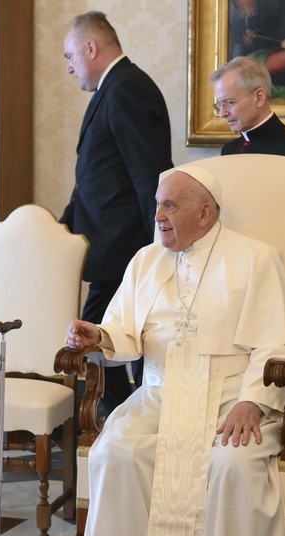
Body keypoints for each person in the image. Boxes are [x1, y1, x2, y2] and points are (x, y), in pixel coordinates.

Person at [64, 165, 285, 536]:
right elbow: (125, 333)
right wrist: (97, 334)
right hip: (162, 395)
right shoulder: (145, 261)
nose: (157, 214)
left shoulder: (257, 260)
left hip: (234, 396)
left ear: (205, 213)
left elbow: (278, 345)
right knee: (116, 453)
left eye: (170, 205)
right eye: (158, 204)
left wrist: (250, 401)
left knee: (232, 464)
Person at [60, 11, 173, 413]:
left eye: (71, 56)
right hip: (110, 252)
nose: (70, 68)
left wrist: (160, 250)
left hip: (126, 254)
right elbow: (96, 180)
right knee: (96, 351)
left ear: (92, 47)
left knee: (91, 349)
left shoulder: (127, 89)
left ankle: (134, 422)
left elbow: (149, 180)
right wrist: (60, 231)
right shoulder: (114, 89)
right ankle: (133, 423)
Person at [211, 57, 285, 162]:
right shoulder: (230, 150)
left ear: (259, 97)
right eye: (220, 104)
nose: (222, 114)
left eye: (229, 102)